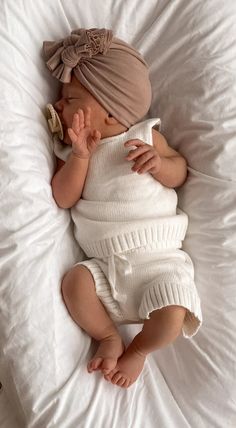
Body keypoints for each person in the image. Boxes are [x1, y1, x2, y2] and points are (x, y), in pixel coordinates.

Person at [43, 28, 202, 389]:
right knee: (74, 284)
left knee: (173, 315)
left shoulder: (146, 137)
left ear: (112, 115)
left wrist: (160, 166)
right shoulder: (72, 153)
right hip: (105, 266)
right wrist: (81, 158)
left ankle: (140, 349)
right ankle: (109, 336)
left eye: (69, 98)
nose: (57, 106)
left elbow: (179, 171)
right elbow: (63, 198)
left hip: (159, 262)